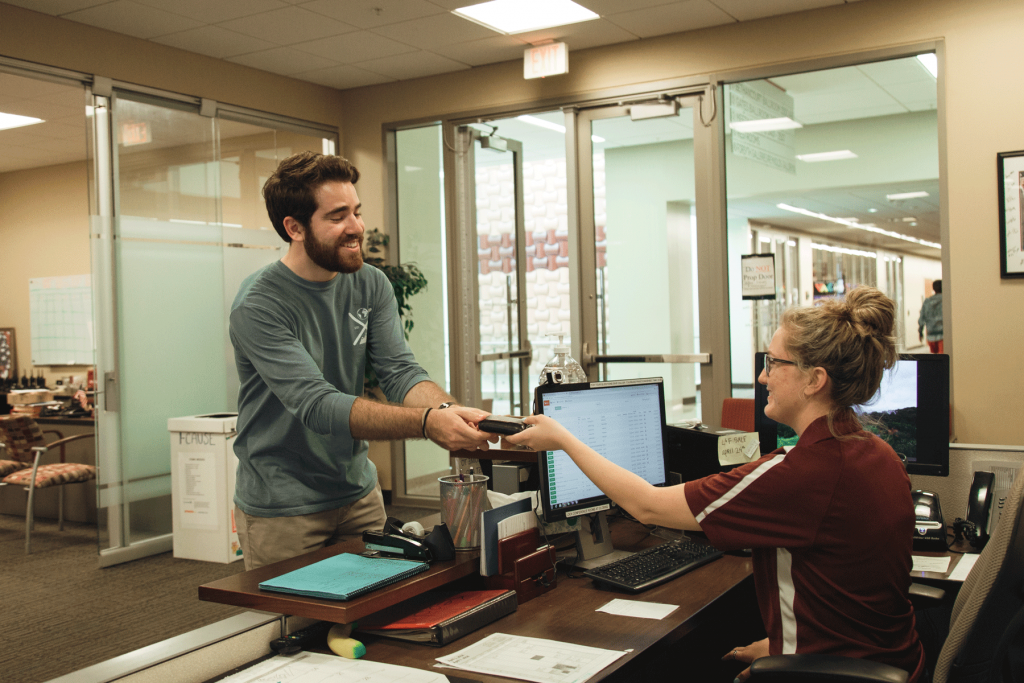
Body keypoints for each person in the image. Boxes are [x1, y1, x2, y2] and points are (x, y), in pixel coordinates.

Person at [506, 287, 925, 683]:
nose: (762, 378)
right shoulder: (879, 454)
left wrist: (564, 439)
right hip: (886, 662)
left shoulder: (804, 473)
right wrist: (783, 646)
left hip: (832, 673)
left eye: (773, 364)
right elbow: (852, 593)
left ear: (814, 380)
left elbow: (648, 506)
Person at [229, 151, 493, 570]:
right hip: (284, 506)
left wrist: (448, 411)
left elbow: (400, 371)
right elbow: (317, 405)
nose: (356, 227)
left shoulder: (370, 283)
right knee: (302, 613)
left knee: (384, 602)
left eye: (356, 211)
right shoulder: (259, 303)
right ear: (294, 228)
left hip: (358, 493)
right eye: (337, 216)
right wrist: (428, 424)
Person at [917, 279, 943, 354]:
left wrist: (920, 332)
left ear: (933, 289)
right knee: (942, 358)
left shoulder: (927, 301)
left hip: (931, 335)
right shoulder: (946, 300)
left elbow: (922, 317)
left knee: (934, 358)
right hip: (943, 335)